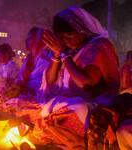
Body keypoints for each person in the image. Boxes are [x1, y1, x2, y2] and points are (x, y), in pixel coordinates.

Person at [31, 6, 120, 149]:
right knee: (35, 110)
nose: (65, 42)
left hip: (93, 105)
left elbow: (86, 83)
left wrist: (64, 55)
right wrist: (56, 55)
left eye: (68, 37)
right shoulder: (73, 49)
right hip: (67, 102)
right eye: (62, 38)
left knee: (71, 112)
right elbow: (50, 80)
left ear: (82, 30)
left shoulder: (99, 45)